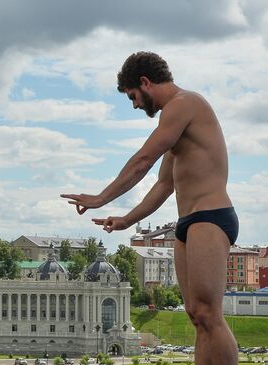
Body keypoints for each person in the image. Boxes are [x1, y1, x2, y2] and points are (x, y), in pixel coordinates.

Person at [61, 51, 238, 365]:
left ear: (145, 82)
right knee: (196, 315)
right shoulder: (176, 120)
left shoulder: (185, 104)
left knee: (210, 314)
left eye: (133, 96)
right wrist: (128, 220)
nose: (135, 104)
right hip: (189, 222)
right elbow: (163, 185)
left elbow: (143, 160)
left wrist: (101, 198)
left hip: (210, 217)